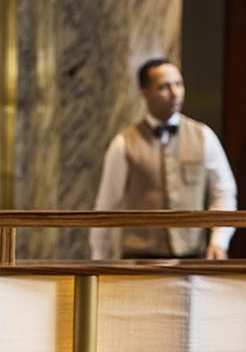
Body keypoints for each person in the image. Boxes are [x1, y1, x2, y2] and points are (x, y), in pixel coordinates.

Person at [90, 58, 237, 261]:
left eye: (178, 84)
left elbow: (223, 191)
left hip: (193, 260)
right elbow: (106, 206)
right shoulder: (123, 143)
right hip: (140, 262)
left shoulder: (204, 136)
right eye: (164, 87)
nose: (175, 93)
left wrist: (219, 241)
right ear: (144, 92)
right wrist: (98, 260)